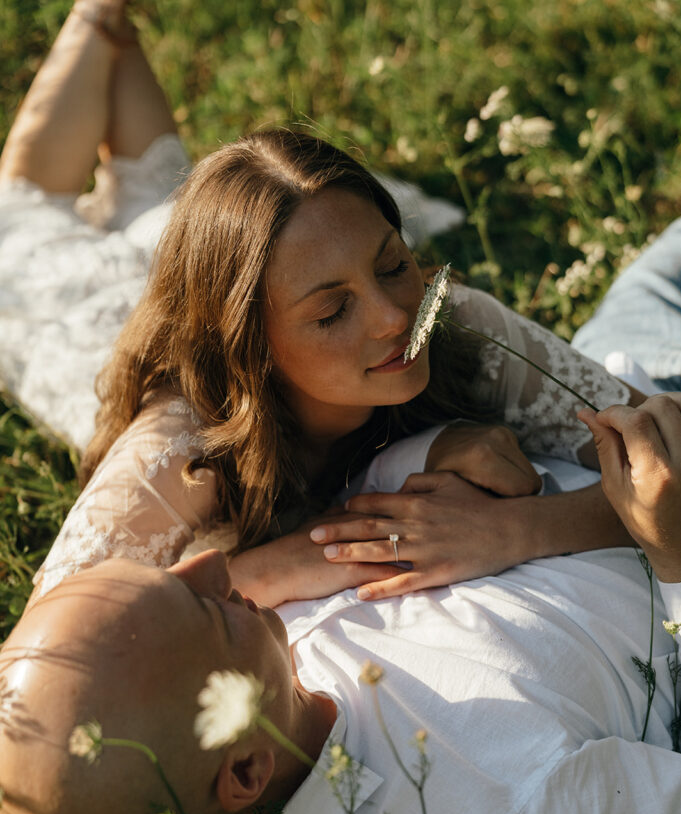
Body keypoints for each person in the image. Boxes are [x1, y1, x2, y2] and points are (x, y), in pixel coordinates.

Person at [0, 392, 681, 814]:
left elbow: (369, 499)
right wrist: (673, 553)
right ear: (243, 770)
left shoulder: (244, 689)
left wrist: (444, 450)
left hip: (597, 426)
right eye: (206, 606)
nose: (213, 564)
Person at [0, 0, 645, 613]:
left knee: (153, 186)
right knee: (20, 218)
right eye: (333, 313)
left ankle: (112, 30)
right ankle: (95, 14)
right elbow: (54, 646)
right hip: (77, 313)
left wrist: (517, 530)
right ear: (250, 347)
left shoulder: (452, 322)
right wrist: (272, 568)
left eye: (393, 264)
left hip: (227, 268)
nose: (395, 317)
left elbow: (662, 456)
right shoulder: (181, 446)